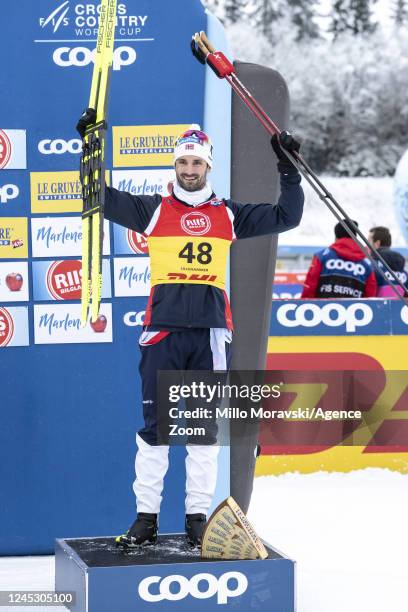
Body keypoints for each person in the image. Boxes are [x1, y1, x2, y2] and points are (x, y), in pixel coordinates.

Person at [77, 114, 304, 547]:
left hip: (211, 335)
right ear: (175, 165)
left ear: (208, 167)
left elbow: (286, 216)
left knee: (202, 433)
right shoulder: (153, 209)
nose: (189, 170)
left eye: (196, 163)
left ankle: (197, 518)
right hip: (162, 332)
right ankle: (146, 519)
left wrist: (287, 167)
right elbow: (95, 196)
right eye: (183, 162)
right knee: (154, 430)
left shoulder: (229, 214)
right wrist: (90, 147)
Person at [301, 219, 377, 299]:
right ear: (355, 236)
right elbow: (370, 293)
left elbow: (310, 286)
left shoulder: (322, 256)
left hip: (324, 308)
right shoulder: (366, 262)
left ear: (336, 237)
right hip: (355, 309)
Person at [368, 226, 407, 297]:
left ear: (377, 243)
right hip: (399, 307)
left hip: (377, 307)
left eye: (369, 241)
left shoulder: (372, 267)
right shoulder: (403, 271)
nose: (367, 245)